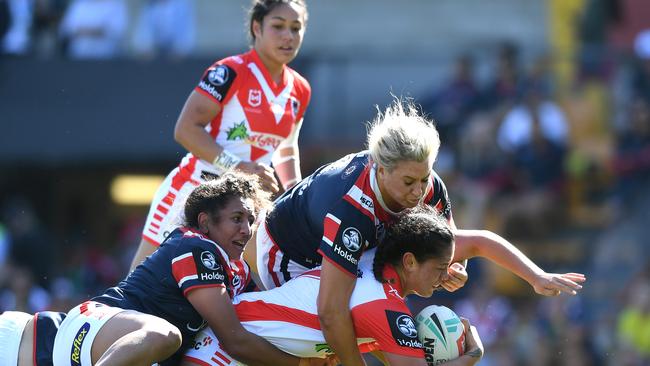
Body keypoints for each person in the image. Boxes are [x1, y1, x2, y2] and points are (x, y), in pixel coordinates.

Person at [248, 98, 586, 365]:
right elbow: (331, 310)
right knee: (333, 335)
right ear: (380, 169)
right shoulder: (351, 209)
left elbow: (452, 244)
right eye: (409, 182)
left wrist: (462, 268)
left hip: (353, 256)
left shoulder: (429, 187)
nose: (418, 192)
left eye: (424, 178)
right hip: (285, 258)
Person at [0, 208, 485, 366]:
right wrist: (469, 356)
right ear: (407, 260)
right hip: (224, 353)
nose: (445, 277)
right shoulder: (383, 303)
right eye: (440, 266)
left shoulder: (359, 273)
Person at [37, 173, 319, 365]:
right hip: (98, 323)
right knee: (166, 334)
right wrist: (302, 364)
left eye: (251, 220)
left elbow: (265, 320)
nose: (246, 230)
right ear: (205, 222)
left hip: (122, 344)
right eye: (237, 218)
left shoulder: (238, 268)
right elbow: (236, 341)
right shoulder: (196, 247)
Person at [130, 0, 311, 272]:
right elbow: (185, 129)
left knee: (235, 284)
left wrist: (296, 193)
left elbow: (286, 148)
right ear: (256, 28)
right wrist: (239, 169)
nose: (288, 36)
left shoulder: (301, 88)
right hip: (191, 189)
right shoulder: (229, 71)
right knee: (141, 277)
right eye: (278, 26)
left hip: (245, 204)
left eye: (296, 28)